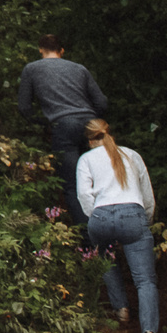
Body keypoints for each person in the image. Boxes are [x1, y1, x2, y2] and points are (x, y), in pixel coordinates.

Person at [78, 118, 160, 333]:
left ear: (89, 140)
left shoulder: (86, 159)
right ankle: (150, 332)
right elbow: (147, 196)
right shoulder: (131, 155)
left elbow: (84, 196)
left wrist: (94, 216)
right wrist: (146, 222)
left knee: (104, 256)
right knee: (145, 280)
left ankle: (121, 309)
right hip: (133, 214)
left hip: (100, 216)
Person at [16, 34, 108, 224]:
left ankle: (89, 241)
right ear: (62, 51)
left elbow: (24, 107)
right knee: (99, 181)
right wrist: (93, 118)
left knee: (73, 185)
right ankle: (110, 234)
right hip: (91, 125)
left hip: (63, 126)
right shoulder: (79, 69)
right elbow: (102, 102)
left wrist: (45, 124)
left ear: (40, 49)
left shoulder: (31, 69)